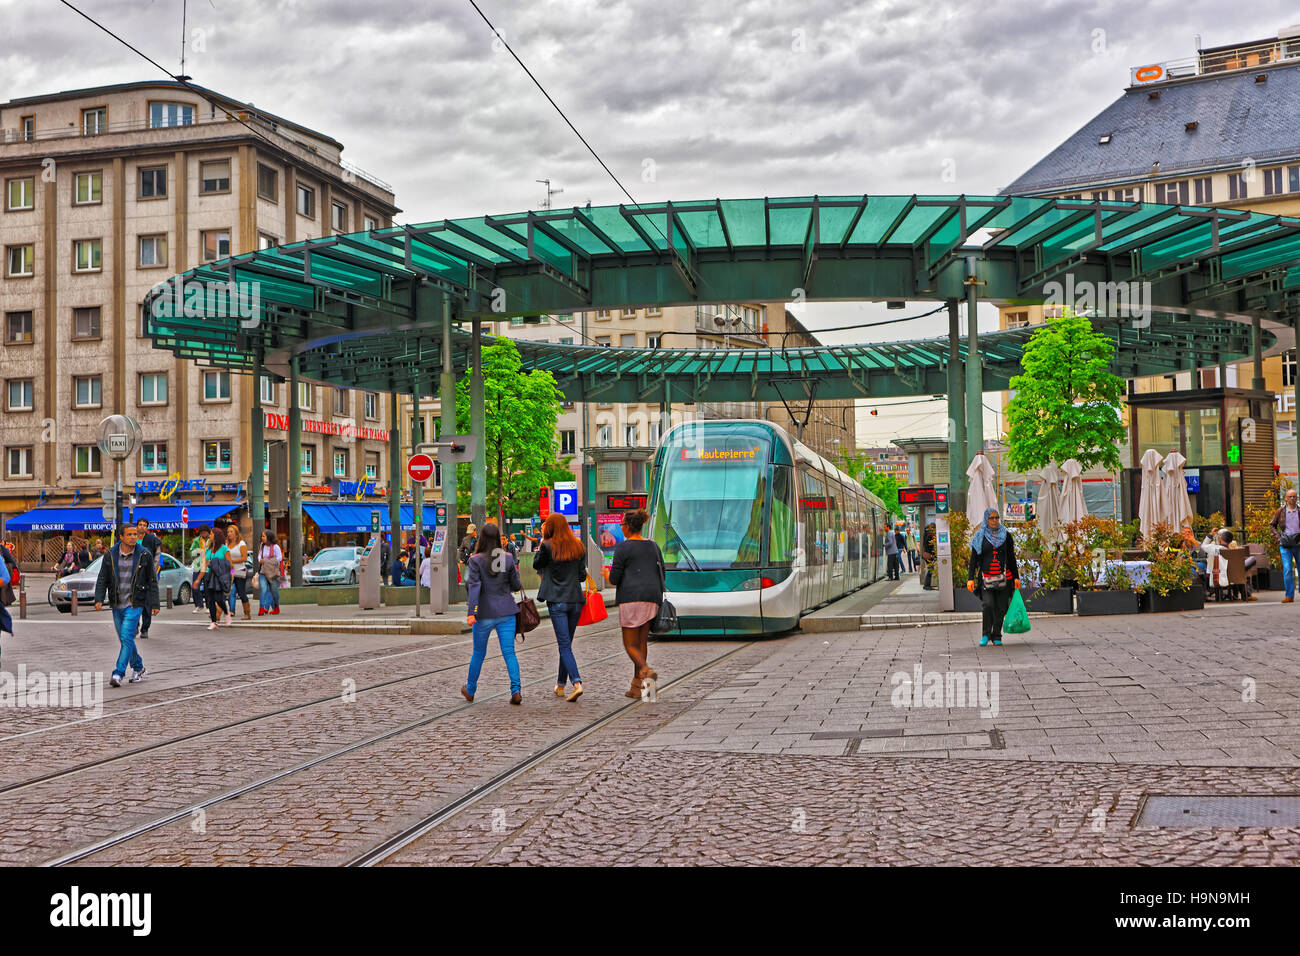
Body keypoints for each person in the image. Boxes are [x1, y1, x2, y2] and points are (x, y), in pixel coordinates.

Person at [602, 508, 663, 699]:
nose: (621, 528)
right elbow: (662, 572)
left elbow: (614, 578)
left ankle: (645, 670)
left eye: (622, 525)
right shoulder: (653, 546)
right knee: (641, 642)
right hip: (652, 597)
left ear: (627, 527)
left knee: (629, 644)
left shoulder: (623, 548)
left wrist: (606, 574)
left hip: (631, 598)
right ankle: (641, 690)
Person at [461, 522, 524, 705]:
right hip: (506, 612)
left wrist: (472, 612)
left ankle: (470, 689)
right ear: (498, 538)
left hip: (484, 613)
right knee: (509, 652)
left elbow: (475, 586)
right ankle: (516, 690)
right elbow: (515, 585)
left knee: (478, 653)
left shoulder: (475, 560)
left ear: (481, 538)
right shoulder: (508, 558)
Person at [92, 523, 159, 688]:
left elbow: (152, 580)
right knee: (125, 639)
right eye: (129, 535)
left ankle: (118, 673)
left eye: (135, 534)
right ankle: (139, 667)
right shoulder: (110, 554)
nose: (133, 537)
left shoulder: (144, 554)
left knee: (127, 637)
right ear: (121, 537)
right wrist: (99, 598)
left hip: (135, 603)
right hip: (116, 603)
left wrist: (155, 603)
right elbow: (103, 578)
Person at [534, 513, 586, 702]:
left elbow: (536, 564)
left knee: (564, 646)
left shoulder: (547, 546)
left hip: (557, 601)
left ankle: (577, 683)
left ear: (551, 527)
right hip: (575, 601)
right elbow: (581, 576)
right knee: (567, 646)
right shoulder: (578, 546)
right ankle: (560, 685)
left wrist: (542, 542)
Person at [966, 507, 1020, 647]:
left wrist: (1016, 577)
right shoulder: (980, 536)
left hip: (1004, 578)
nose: (995, 521)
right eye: (991, 518)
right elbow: (973, 559)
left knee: (1001, 607)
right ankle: (985, 634)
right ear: (986, 519)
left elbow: (1011, 558)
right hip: (986, 578)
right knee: (988, 605)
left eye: (996, 518)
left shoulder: (1006, 535)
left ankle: (997, 635)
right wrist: (970, 577)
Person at [1271, 487, 1300, 604]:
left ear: (1297, 498)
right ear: (1286, 498)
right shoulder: (1280, 511)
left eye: (1294, 496)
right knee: (1287, 569)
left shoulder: (1299, 511)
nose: (1292, 498)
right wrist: (1279, 538)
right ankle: (1289, 595)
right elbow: (1272, 525)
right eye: (1290, 496)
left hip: (1298, 543)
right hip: (1285, 544)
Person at [135, 518, 162, 638]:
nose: (141, 527)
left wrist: (153, 570)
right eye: (140, 525)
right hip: (134, 576)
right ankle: (135, 626)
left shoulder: (152, 540)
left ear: (147, 528)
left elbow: (157, 556)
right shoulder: (132, 538)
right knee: (134, 604)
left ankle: (145, 628)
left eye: (144, 525)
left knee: (147, 604)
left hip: (146, 575)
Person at [1216, 529, 1258, 601]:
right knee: (1249, 562)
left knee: (1238, 570)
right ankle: (1246, 594)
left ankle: (1241, 594)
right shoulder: (1229, 545)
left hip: (1224, 570)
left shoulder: (1215, 547)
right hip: (1232, 570)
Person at [203, 527, 233, 629]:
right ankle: (214, 622)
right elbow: (205, 564)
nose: (209, 536)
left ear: (216, 536)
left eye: (211, 534)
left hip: (219, 577)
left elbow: (230, 565)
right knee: (210, 600)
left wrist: (230, 577)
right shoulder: (208, 550)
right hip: (208, 575)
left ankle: (226, 612)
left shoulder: (224, 549)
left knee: (219, 599)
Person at [225, 524, 252, 620]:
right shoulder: (226, 544)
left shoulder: (241, 543)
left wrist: (231, 561)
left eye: (231, 531)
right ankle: (230, 611)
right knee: (229, 591)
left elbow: (244, 558)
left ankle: (247, 613)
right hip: (231, 570)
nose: (229, 534)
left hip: (240, 570)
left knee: (241, 592)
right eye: (228, 532)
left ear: (236, 533)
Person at [258, 530, 282, 615]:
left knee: (274, 591)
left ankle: (276, 607)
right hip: (263, 571)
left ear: (269, 537)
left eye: (264, 536)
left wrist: (267, 561)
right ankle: (261, 608)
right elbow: (259, 555)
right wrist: (260, 560)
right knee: (263, 589)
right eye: (262, 536)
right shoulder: (262, 546)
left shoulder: (276, 547)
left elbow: (279, 558)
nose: (262, 538)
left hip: (273, 572)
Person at [190, 525, 212, 613]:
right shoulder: (196, 541)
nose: (203, 534)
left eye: (205, 532)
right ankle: (198, 605)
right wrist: (197, 551)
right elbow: (191, 552)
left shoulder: (212, 540)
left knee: (207, 587)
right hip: (198, 565)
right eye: (202, 532)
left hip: (208, 566)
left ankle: (208, 606)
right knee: (195, 586)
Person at [921, 522, 937, 590]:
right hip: (928, 555)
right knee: (930, 569)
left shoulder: (926, 534)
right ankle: (926, 585)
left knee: (930, 569)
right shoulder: (930, 536)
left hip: (927, 554)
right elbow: (929, 546)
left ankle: (927, 585)